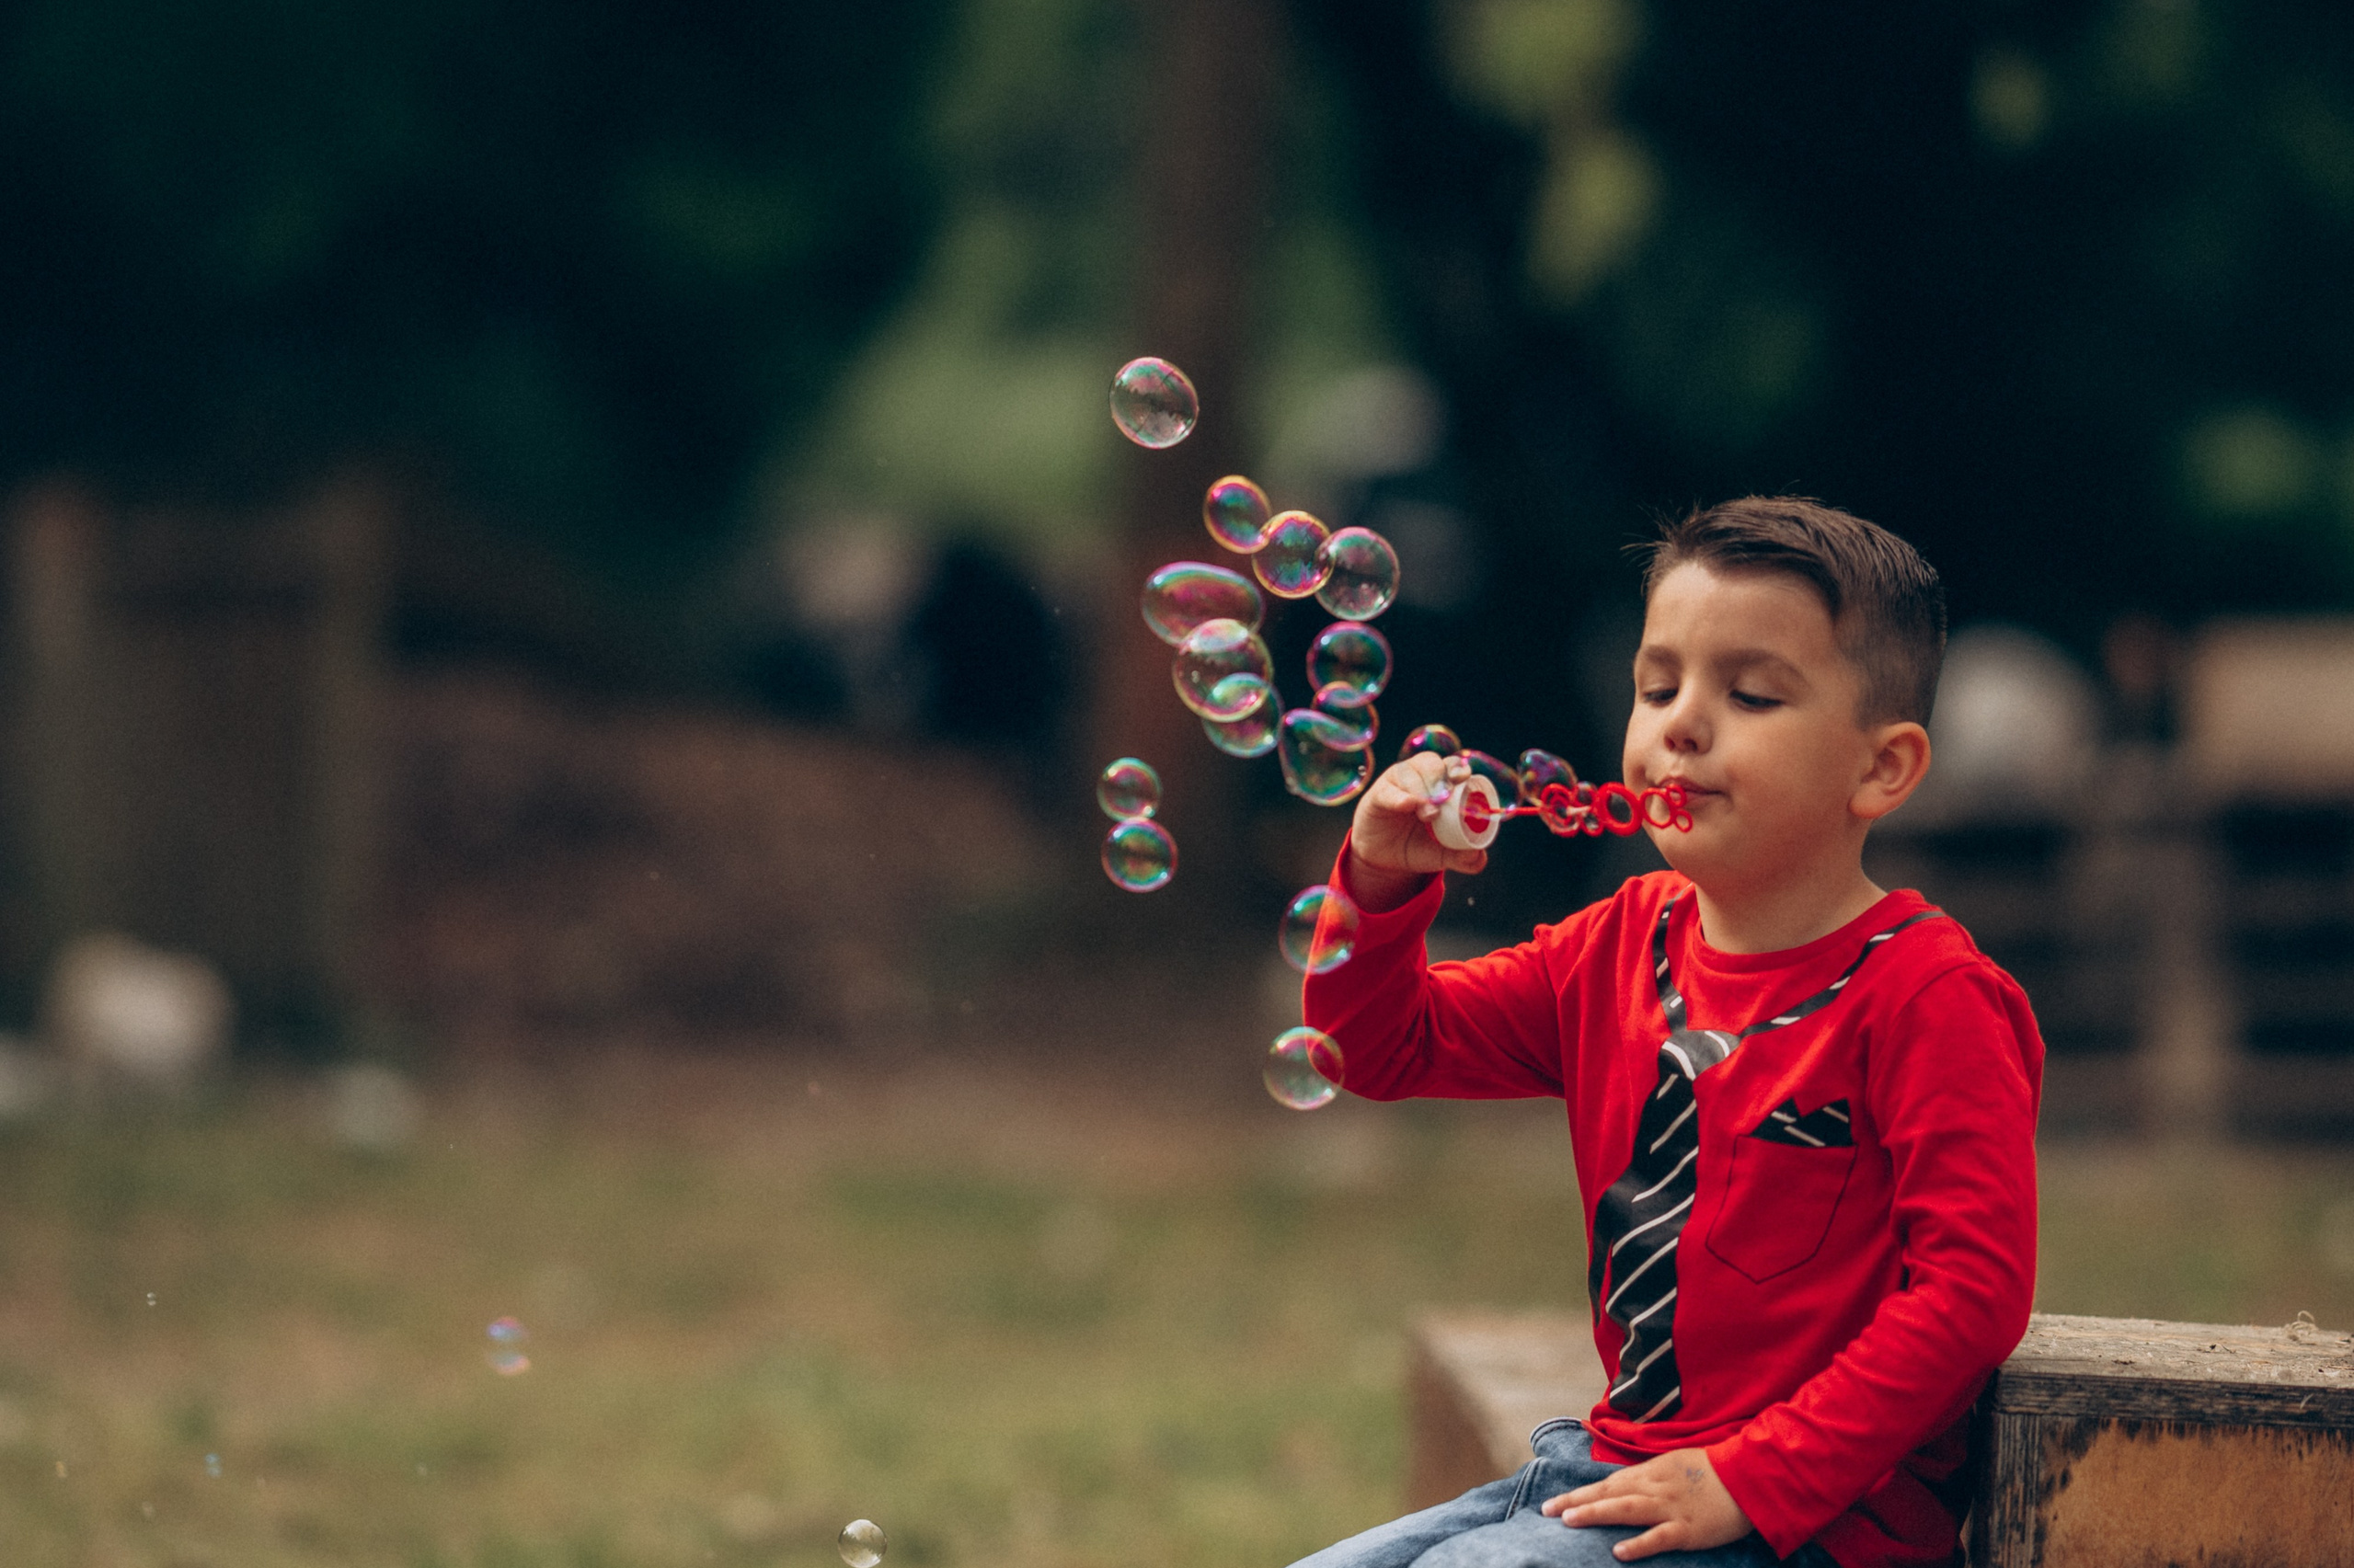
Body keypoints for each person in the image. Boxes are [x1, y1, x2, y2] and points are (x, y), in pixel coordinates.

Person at [1296, 498, 2041, 1568]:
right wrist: (1376, 883)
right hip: (1611, 1470)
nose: (1681, 723)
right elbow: (1376, 1046)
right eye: (1659, 686)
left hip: (1815, 1523)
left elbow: (1972, 1293)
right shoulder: (1614, 947)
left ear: (1881, 768)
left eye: (1749, 694)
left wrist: (1754, 1476)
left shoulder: (1927, 996)